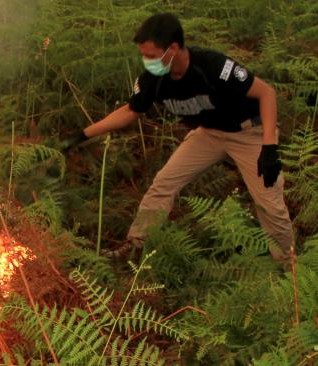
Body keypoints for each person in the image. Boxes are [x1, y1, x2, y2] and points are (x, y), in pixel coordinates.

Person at [73, 13, 294, 262]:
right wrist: (80, 136)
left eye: (152, 56)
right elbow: (129, 111)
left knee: (269, 203)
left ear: (174, 48)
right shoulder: (153, 80)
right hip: (209, 134)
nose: (147, 62)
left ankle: (289, 269)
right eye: (143, 55)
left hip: (249, 133)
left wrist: (269, 147)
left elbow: (266, 94)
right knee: (163, 185)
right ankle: (136, 246)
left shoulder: (214, 67)